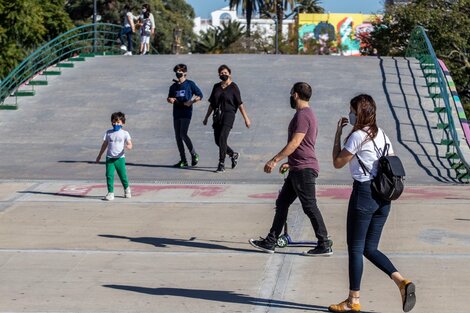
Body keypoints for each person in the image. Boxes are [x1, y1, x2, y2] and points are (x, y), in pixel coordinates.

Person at [328, 94, 415, 312]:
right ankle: (401, 282)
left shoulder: (358, 136)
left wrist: (338, 133)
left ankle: (352, 300)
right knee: (370, 247)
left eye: (351, 110)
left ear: (358, 113)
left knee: (356, 248)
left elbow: (338, 162)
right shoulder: (383, 135)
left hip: (364, 194)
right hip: (384, 197)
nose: (349, 113)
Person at [249, 82, 332, 256]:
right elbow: (303, 144)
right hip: (297, 167)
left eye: (291, 94)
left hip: (304, 168)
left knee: (309, 206)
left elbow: (295, 142)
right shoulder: (307, 114)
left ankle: (324, 244)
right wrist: (290, 162)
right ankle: (270, 242)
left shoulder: (303, 115)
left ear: (295, 95)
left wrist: (275, 160)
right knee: (282, 203)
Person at [203, 64, 251, 173]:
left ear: (229, 73)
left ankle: (221, 163)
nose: (223, 74)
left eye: (225, 73)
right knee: (217, 141)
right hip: (217, 115)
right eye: (221, 73)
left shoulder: (234, 87)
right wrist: (206, 117)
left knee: (222, 137)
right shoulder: (216, 86)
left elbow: (239, 104)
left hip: (229, 114)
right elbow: (212, 103)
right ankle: (233, 154)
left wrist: (246, 119)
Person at [167, 64, 203, 168]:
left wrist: (192, 102)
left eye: (180, 71)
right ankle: (183, 160)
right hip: (176, 112)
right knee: (178, 137)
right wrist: (170, 100)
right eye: (177, 71)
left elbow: (200, 95)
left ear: (185, 73)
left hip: (186, 112)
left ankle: (194, 154)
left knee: (183, 133)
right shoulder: (173, 86)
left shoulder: (190, 84)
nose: (178, 73)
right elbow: (169, 98)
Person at [96, 112, 133, 201]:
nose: (116, 124)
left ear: (122, 123)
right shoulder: (108, 133)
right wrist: (99, 155)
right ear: (112, 122)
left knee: (123, 175)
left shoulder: (125, 133)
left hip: (120, 158)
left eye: (118, 122)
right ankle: (110, 193)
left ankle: (127, 189)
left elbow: (130, 144)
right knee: (109, 175)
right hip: (109, 158)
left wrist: (128, 146)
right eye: (114, 122)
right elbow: (104, 145)